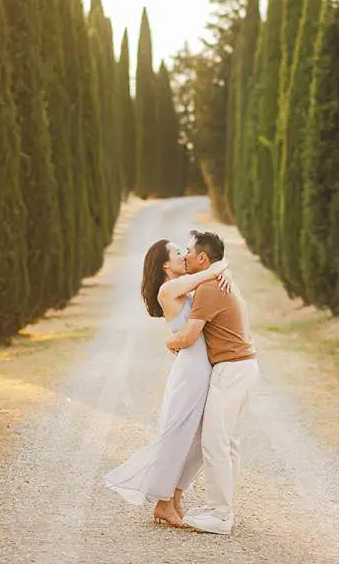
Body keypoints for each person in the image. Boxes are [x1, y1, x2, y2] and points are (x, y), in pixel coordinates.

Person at [103, 239, 231, 527]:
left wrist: (223, 272)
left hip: (201, 368)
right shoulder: (168, 289)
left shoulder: (184, 287)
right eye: (177, 252)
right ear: (164, 264)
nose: (184, 256)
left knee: (201, 438)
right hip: (190, 371)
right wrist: (222, 267)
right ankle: (163, 503)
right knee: (178, 436)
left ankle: (175, 497)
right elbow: (209, 272)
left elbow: (209, 278)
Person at [169, 230, 259, 536]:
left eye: (189, 251)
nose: (185, 256)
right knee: (228, 443)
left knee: (214, 441)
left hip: (232, 369)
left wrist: (170, 342)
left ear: (202, 258)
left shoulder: (209, 287)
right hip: (244, 367)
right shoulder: (216, 280)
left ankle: (220, 515)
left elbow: (189, 336)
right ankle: (222, 508)